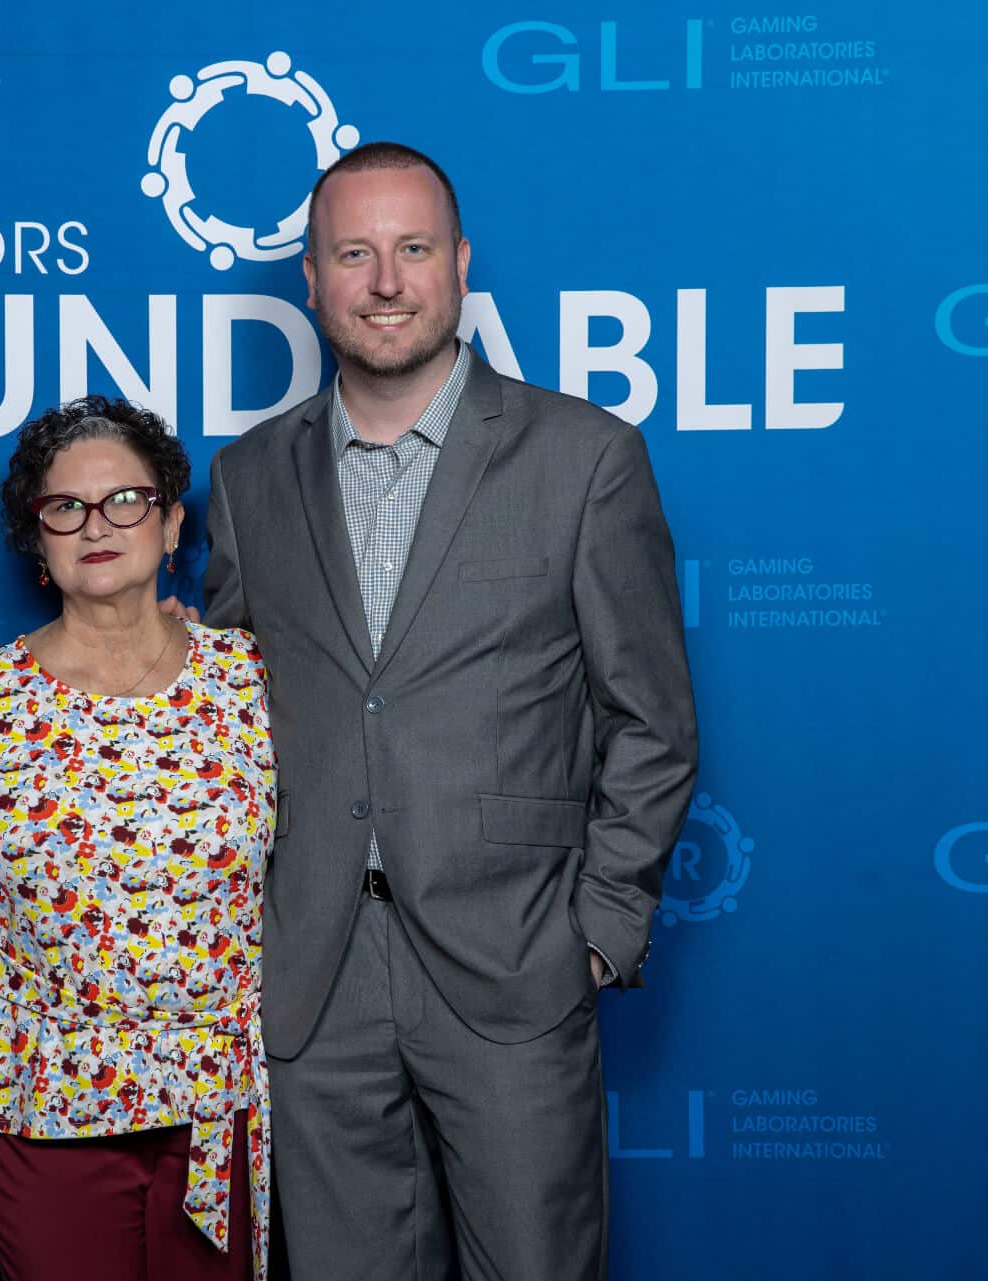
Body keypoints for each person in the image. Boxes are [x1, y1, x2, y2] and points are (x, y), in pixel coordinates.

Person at [201, 142, 700, 1279]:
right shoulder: (247, 479)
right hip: (309, 975)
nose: (387, 281)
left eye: (413, 249)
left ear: (461, 264)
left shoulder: (585, 460)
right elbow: (232, 720)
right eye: (354, 254)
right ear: (314, 283)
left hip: (516, 961)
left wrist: (599, 930)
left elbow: (653, 722)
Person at [0, 397, 275, 1281]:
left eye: (126, 501)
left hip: (220, 1109)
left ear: (173, 523)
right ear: (37, 538)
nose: (97, 524)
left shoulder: (250, 676)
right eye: (66, 507)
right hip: (44, 1111)